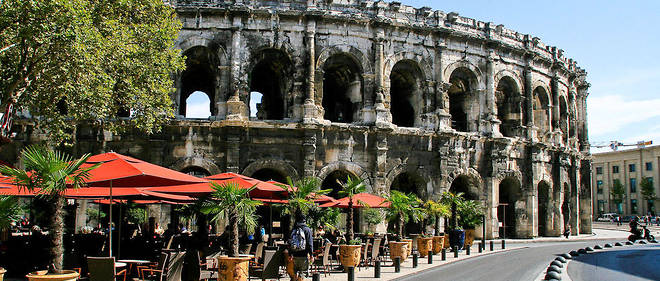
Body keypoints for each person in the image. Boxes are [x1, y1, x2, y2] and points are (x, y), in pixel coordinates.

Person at [288, 211, 313, 281]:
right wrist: (311, 255)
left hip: (294, 255)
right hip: (304, 255)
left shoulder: (294, 229)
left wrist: (290, 254)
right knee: (302, 273)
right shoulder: (307, 229)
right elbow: (310, 243)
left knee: (294, 273)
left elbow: (290, 242)